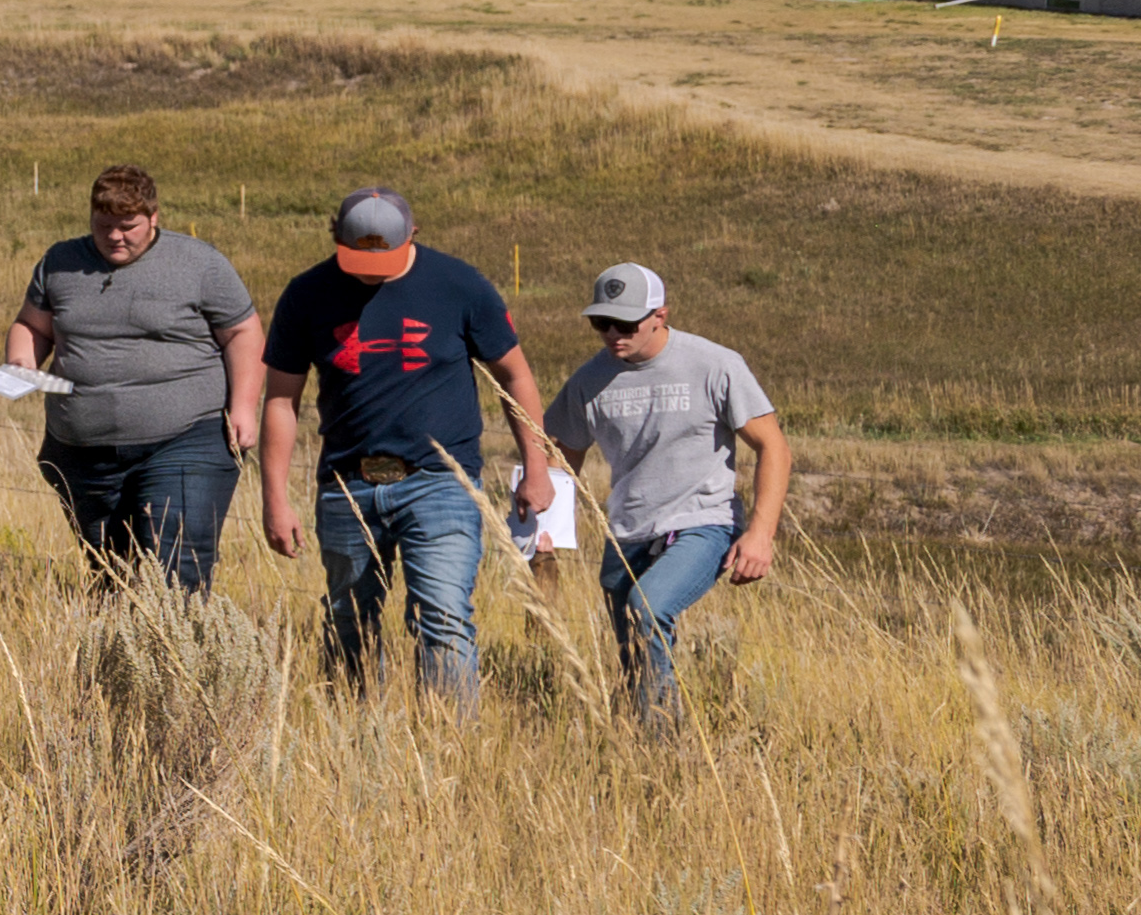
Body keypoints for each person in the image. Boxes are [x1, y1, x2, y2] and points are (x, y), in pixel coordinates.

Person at [255, 185, 561, 701]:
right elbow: (281, 400)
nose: (370, 271)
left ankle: (450, 750)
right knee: (348, 621)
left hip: (441, 483)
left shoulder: (460, 285)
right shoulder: (306, 294)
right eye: (357, 258)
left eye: (385, 258)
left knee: (441, 615)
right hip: (347, 485)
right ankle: (352, 733)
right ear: (334, 236)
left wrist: (537, 465)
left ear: (413, 235)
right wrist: (274, 498)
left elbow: (516, 377)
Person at [546, 264, 791, 724]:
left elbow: (773, 446)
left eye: (626, 323)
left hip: (704, 522)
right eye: (602, 323)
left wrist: (760, 534)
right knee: (634, 657)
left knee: (648, 609)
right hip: (627, 530)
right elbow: (560, 459)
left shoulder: (715, 364)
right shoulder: (588, 381)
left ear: (661, 314)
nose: (613, 334)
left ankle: (665, 744)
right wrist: (543, 532)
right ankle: (644, 754)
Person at [6, 163, 261, 587]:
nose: (114, 236)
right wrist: (21, 359)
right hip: (84, 450)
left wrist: (244, 407)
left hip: (185, 437)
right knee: (111, 574)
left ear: (154, 218)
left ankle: (178, 650)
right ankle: (120, 650)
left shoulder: (199, 263)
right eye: (103, 225)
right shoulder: (60, 262)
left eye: (128, 226)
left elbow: (243, 332)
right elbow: (32, 325)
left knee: (177, 566)